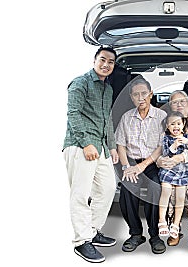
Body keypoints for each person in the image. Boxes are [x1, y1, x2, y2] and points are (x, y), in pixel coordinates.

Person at [63, 46, 119, 263]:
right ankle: (81, 242)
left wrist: (112, 146)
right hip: (80, 146)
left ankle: (93, 231)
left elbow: (108, 120)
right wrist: (86, 143)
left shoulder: (108, 89)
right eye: (102, 60)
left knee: (107, 189)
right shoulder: (80, 83)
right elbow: (73, 114)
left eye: (111, 62)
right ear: (95, 60)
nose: (106, 65)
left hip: (102, 147)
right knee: (80, 193)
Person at [115, 77, 167, 254]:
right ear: (131, 97)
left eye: (144, 93)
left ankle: (155, 235)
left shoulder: (161, 116)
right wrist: (125, 167)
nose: (141, 98)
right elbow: (120, 144)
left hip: (152, 164)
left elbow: (162, 147)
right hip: (131, 163)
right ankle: (136, 234)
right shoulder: (126, 117)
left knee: (155, 188)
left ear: (151, 94)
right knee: (127, 189)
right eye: (136, 95)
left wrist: (143, 166)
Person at [157, 90, 188, 248]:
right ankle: (173, 228)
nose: (178, 105)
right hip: (170, 165)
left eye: (182, 101)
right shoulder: (168, 124)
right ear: (170, 106)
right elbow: (160, 149)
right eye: (174, 102)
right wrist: (161, 161)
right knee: (168, 188)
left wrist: (180, 157)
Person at [157, 111, 188, 241]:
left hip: (182, 173)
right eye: (172, 124)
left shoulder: (187, 137)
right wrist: (174, 146)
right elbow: (165, 154)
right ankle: (162, 220)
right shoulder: (166, 138)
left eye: (179, 123)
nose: (176, 126)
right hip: (168, 171)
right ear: (167, 126)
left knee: (180, 198)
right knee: (166, 191)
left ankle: (175, 224)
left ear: (183, 124)